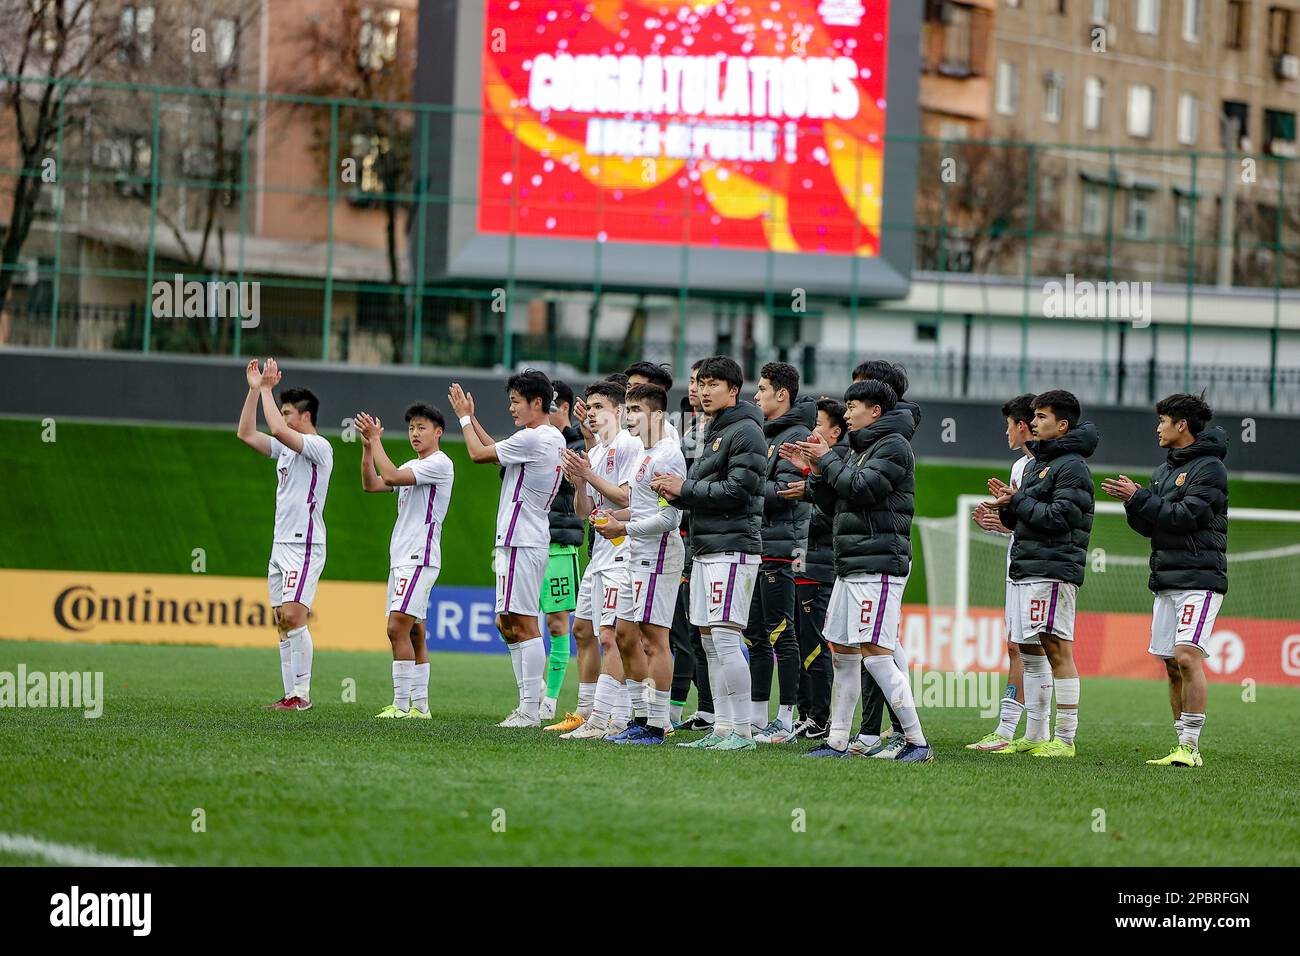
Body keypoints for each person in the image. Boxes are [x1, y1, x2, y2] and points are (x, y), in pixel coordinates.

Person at [786, 379, 932, 762]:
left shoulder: (894, 447)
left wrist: (828, 459)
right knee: (843, 654)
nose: (846, 414)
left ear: (876, 411)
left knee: (877, 655)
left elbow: (863, 488)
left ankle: (917, 742)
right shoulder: (858, 449)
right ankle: (837, 741)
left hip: (878, 566)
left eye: (853, 407)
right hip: (851, 566)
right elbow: (836, 503)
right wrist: (816, 469)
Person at [1103, 393, 1227, 768]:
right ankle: (1179, 744)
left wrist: (1140, 497)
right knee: (1171, 664)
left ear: (1181, 425)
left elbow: (1186, 516)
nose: (1158, 428)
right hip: (1167, 580)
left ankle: (1191, 747)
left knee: (1187, 657)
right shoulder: (1162, 472)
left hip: (1199, 578)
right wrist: (1133, 501)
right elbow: (1148, 525)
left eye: (1163, 421)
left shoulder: (1210, 469)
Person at [653, 355, 766, 752]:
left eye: (713, 383)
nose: (703, 390)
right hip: (706, 548)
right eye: (700, 383)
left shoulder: (746, 433)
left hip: (732, 549)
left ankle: (744, 732)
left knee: (725, 637)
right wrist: (676, 489)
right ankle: (722, 728)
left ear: (733, 390)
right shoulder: (715, 430)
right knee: (710, 640)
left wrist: (683, 490)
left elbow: (738, 491)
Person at [980, 389, 1098, 758]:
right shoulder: (1036, 465)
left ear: (1062, 425)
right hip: (1029, 566)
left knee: (1057, 649)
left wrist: (1020, 501)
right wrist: (1007, 507)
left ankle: (1064, 739)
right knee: (1032, 652)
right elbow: (1026, 517)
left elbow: (1061, 518)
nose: (1034, 423)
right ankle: (1034, 734)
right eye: (1034, 417)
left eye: (1042, 417)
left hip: (1053, 567)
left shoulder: (1073, 467)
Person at [448, 370, 566, 728]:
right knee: (506, 621)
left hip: (522, 539)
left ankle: (531, 708)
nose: (511, 408)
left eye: (516, 402)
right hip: (520, 540)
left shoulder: (536, 439)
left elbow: (476, 454)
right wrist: (473, 418)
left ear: (537, 403)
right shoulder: (542, 438)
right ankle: (533, 696)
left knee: (524, 622)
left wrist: (464, 417)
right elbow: (497, 453)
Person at [236, 358, 332, 712]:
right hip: (280, 545)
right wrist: (253, 392)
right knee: (280, 619)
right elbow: (246, 434)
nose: (282, 416)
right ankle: (289, 693)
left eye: (287, 412)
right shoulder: (286, 451)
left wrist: (266, 390)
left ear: (304, 416)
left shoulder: (320, 447)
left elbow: (276, 430)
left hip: (304, 544)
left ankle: (302, 695)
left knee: (293, 615)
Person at [595, 383, 688, 744]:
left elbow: (670, 519)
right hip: (636, 553)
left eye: (636, 410)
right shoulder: (642, 454)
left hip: (659, 553)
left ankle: (656, 724)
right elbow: (645, 507)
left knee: (654, 639)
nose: (628, 416)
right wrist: (612, 516)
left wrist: (624, 526)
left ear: (658, 414)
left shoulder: (668, 455)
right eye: (628, 409)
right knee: (623, 635)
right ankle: (641, 716)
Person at [355, 405, 454, 719]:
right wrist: (369, 448)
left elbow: (392, 475)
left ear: (438, 432)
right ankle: (420, 707)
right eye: (412, 427)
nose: (415, 433)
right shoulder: (415, 464)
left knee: (396, 628)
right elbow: (372, 483)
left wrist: (377, 441)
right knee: (414, 633)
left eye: (422, 427)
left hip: (418, 557)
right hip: (403, 558)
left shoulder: (440, 463)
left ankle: (400, 706)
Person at [557, 380, 643, 739]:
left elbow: (627, 500)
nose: (591, 413)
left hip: (623, 553)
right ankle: (592, 711)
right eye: (588, 407)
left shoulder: (628, 445)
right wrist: (579, 484)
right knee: (584, 629)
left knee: (611, 635)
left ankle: (606, 719)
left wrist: (589, 476)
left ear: (618, 411)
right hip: (599, 554)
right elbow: (584, 512)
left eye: (599, 407)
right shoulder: (593, 453)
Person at [747, 362, 815, 743]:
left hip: (781, 548)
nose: (755, 397)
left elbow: (787, 492)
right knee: (755, 632)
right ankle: (758, 718)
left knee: (780, 632)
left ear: (781, 394)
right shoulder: (766, 433)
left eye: (761, 389)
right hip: (760, 545)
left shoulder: (798, 435)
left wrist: (745, 489)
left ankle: (786, 719)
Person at [966, 394, 1035, 751]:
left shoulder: (1053, 468)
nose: (1005, 433)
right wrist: (1000, 526)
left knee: (1036, 648)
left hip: (1041, 569)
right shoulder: (1018, 468)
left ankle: (1029, 731)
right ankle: (1011, 729)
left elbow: (1050, 520)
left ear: (1022, 426)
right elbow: (1022, 523)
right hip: (1017, 564)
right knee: (1016, 646)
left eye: (1009, 425)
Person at [778, 397, 845, 739]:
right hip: (801, 564)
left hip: (819, 569)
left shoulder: (842, 463)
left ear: (835, 432)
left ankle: (820, 717)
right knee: (802, 641)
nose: (812, 430)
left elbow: (830, 517)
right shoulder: (816, 468)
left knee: (816, 643)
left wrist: (806, 493)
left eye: (818, 424)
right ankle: (806, 713)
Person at [539, 380, 585, 726]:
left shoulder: (578, 444)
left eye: (549, 408)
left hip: (560, 543)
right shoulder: (533, 440)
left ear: (564, 408)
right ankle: (535, 688)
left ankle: (549, 701)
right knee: (506, 620)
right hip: (528, 542)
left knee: (558, 625)